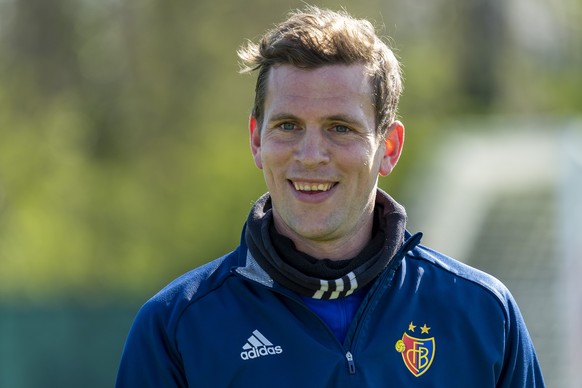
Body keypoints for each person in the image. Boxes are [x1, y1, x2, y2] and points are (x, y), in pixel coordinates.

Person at [116, 6, 545, 387]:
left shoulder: (483, 314)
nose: (311, 155)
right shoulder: (176, 328)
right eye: (287, 126)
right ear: (256, 140)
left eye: (340, 128)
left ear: (388, 148)